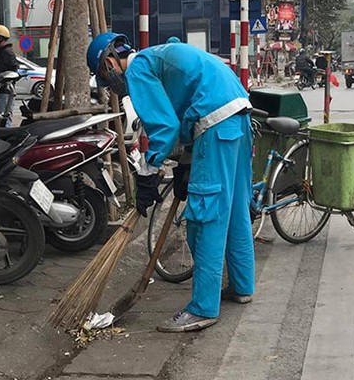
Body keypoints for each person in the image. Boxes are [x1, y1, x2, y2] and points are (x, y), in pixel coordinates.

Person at [87, 33, 255, 333]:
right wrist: (183, 165)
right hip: (238, 117)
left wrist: (147, 174)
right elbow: (182, 115)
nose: (110, 85)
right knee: (235, 208)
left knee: (208, 217)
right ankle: (242, 286)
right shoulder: (160, 57)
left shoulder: (138, 69)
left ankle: (203, 308)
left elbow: (164, 127)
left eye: (104, 76)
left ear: (110, 62)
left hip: (215, 126)